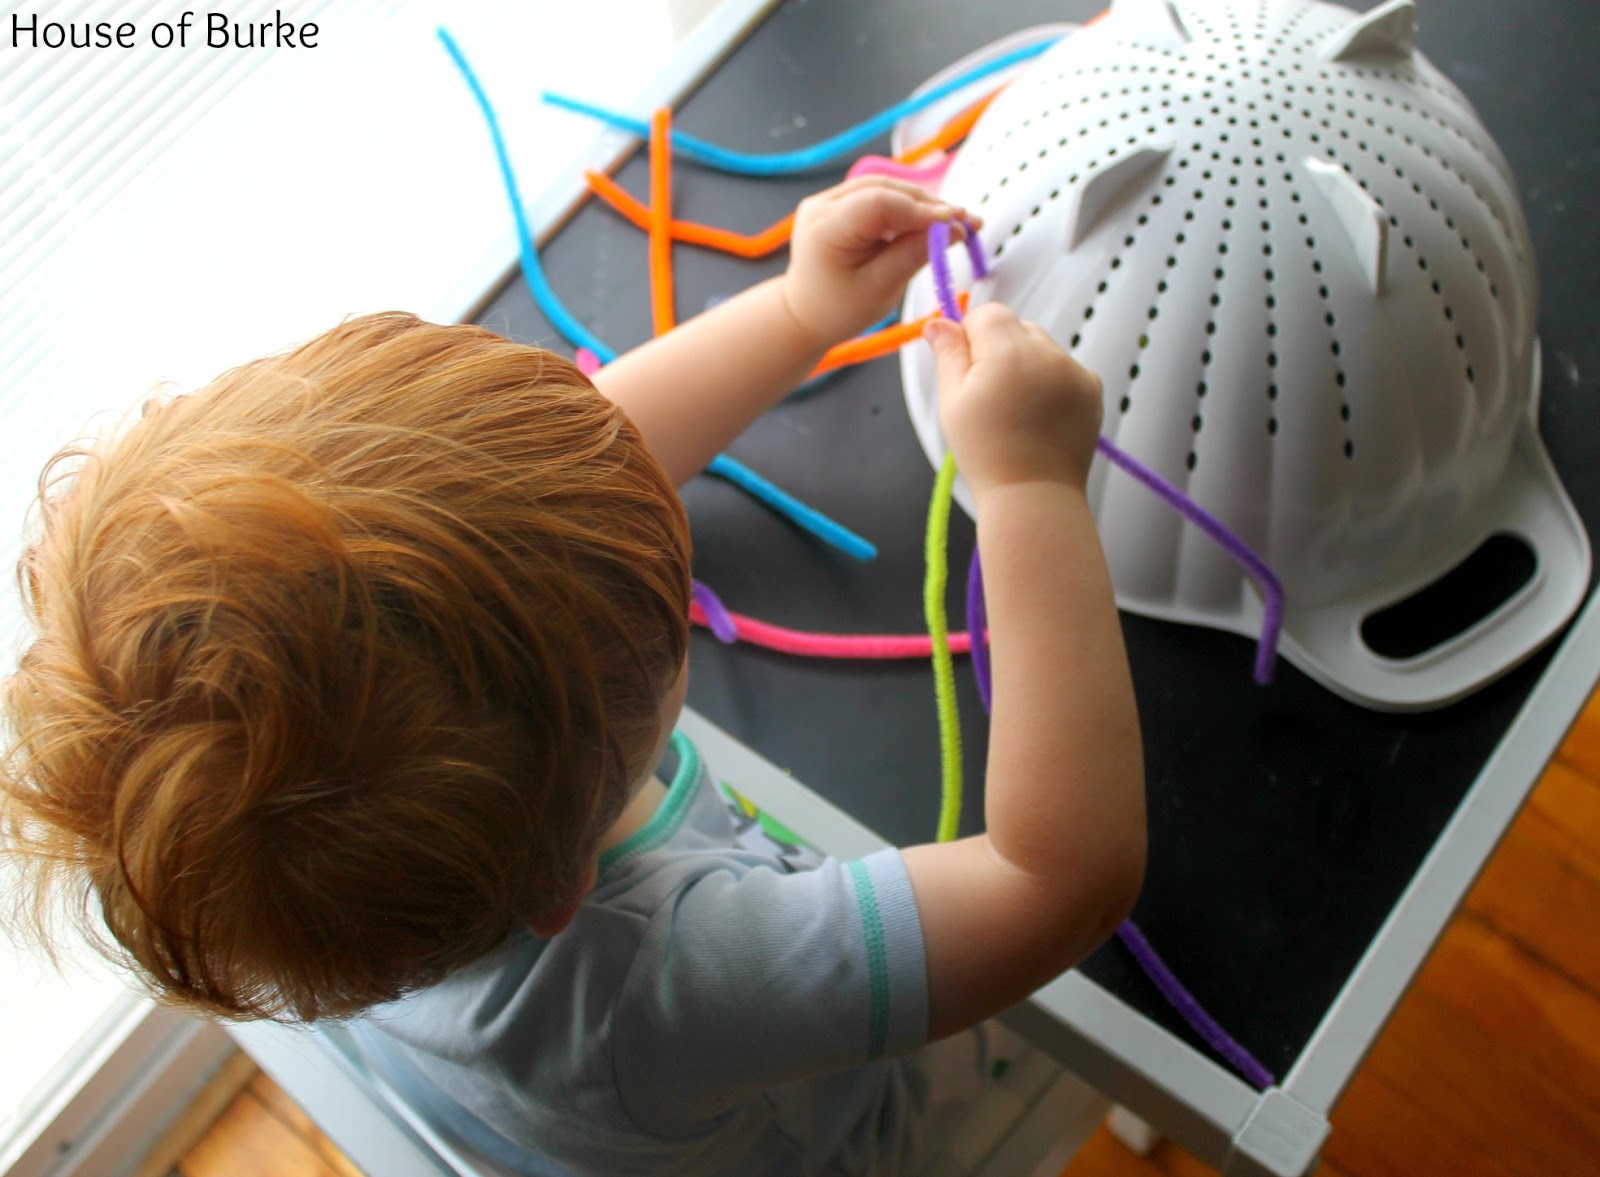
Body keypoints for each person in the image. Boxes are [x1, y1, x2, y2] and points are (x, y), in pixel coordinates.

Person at [1, 176, 1144, 1174]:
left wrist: (801, 309)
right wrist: (1029, 488)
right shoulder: (658, 986)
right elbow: (1057, 879)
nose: (637, 480)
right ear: (559, 887)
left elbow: (545, 498)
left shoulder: (214, 851)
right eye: (660, 616)